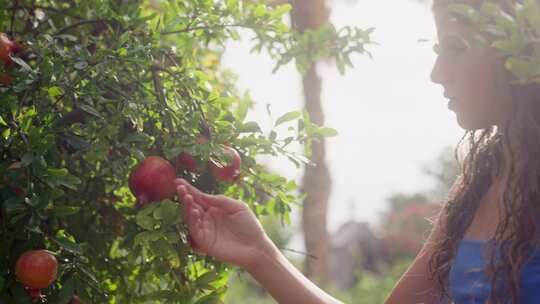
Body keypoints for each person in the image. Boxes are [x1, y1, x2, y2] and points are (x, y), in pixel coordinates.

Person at [174, 0, 540, 303]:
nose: (437, 72)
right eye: (438, 50)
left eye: (455, 47)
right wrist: (260, 254)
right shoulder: (477, 185)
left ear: (516, 51)